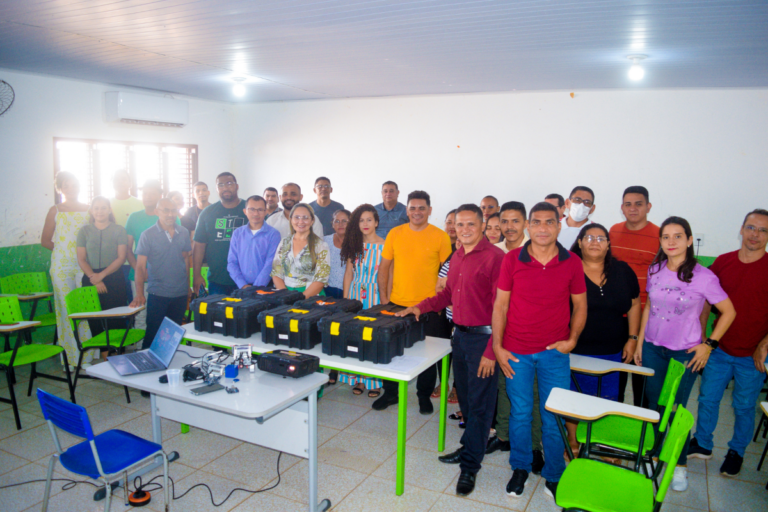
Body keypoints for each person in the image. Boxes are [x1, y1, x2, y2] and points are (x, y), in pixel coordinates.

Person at [398, 204, 504, 496]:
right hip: (459, 337)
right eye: (460, 224)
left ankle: (470, 466)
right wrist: (419, 307)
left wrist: (492, 352)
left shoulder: (497, 258)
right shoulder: (457, 255)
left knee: (481, 406)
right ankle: (470, 445)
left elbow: (502, 308)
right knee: (467, 403)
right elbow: (446, 294)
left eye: (471, 224)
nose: (465, 229)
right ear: (454, 227)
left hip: (484, 340)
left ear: (482, 226)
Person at [487, 201, 587, 501]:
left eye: (549, 222)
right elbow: (501, 305)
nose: (542, 228)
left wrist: (572, 341)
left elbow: (581, 305)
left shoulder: (571, 262)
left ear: (559, 225)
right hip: (516, 351)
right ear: (529, 226)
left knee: (552, 415)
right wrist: (498, 347)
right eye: (537, 222)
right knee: (519, 413)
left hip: (554, 353)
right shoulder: (513, 260)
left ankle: (554, 474)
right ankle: (520, 466)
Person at [634, 216, 736, 492]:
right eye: (666, 236)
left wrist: (709, 344)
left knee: (676, 410)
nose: (671, 242)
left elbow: (729, 312)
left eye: (678, 236)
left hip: (685, 353)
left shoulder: (704, 276)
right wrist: (641, 341)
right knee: (656, 406)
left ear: (689, 240)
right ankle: (653, 456)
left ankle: (678, 466)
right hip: (654, 348)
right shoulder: (655, 269)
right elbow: (648, 307)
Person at [688, 209, 768, 477]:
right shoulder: (722, 262)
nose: (755, 234)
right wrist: (702, 332)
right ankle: (703, 443)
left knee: (744, 405)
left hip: (753, 354)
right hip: (719, 348)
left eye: (763, 230)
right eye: (751, 228)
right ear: (742, 229)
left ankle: (737, 451)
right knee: (708, 398)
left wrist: (764, 344)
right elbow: (705, 298)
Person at [373, 191, 453, 414]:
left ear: (429, 210)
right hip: (396, 305)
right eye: (412, 208)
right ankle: (391, 393)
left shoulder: (440, 236)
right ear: (406, 210)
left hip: (428, 308)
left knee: (427, 356)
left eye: (421, 208)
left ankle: (423, 396)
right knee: (390, 351)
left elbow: (447, 274)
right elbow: (384, 269)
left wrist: (439, 302)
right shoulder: (395, 234)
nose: (417, 212)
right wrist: (385, 300)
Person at [564, 224, 641, 452]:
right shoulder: (568, 269)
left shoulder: (622, 270)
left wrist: (633, 338)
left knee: (608, 397)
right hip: (575, 350)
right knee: (573, 398)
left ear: (608, 244)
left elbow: (635, 304)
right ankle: (573, 440)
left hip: (613, 350)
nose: (594, 242)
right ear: (579, 242)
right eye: (588, 237)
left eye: (601, 238)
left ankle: (603, 441)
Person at [486, 201, 541, 473]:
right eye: (504, 222)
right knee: (503, 387)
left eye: (515, 221)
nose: (509, 227)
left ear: (526, 224)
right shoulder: (494, 251)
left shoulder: (537, 251)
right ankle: (504, 436)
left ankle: (534, 446)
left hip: (528, 334)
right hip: (500, 331)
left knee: (531, 393)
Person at [610, 186, 659, 406]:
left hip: (647, 316)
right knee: (616, 373)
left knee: (642, 377)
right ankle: (611, 420)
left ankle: (642, 427)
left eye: (638, 203)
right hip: (617, 315)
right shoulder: (613, 232)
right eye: (628, 204)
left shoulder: (659, 235)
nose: (633, 208)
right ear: (622, 208)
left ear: (648, 206)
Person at [41, 172, 93, 369]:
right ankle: (70, 358)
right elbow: (45, 240)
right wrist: (65, 250)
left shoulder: (89, 210)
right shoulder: (55, 210)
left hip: (84, 265)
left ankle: (87, 356)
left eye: (75, 184)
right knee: (65, 309)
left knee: (84, 308)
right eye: (67, 185)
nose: (71, 188)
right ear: (60, 189)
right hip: (61, 265)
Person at [131, 198, 192, 357]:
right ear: (157, 212)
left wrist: (188, 286)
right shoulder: (147, 235)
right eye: (166, 210)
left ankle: (168, 367)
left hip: (179, 293)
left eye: (173, 210)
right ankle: (145, 367)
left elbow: (186, 259)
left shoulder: (183, 232)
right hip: (158, 293)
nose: (170, 214)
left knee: (173, 336)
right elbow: (139, 266)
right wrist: (139, 294)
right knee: (153, 335)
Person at [340, 204, 388, 397]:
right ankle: (358, 379)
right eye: (361, 220)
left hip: (376, 296)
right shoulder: (354, 244)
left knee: (372, 337)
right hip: (355, 296)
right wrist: (345, 301)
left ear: (376, 222)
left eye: (369, 219)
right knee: (354, 336)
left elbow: (388, 275)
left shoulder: (386, 245)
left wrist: (386, 299)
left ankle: (374, 382)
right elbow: (348, 273)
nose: (365, 224)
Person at [76, 196, 129, 357]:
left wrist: (102, 276)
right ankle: (104, 353)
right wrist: (94, 277)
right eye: (96, 208)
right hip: (90, 278)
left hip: (113, 277)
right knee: (95, 318)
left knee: (115, 317)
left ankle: (116, 353)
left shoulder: (119, 229)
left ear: (109, 210)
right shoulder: (84, 231)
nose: (100, 211)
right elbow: (81, 258)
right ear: (92, 211)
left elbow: (121, 258)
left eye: (103, 207)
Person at [193, 172, 248, 296]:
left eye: (229, 183)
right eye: (221, 185)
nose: (225, 188)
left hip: (246, 280)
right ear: (216, 189)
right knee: (217, 315)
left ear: (237, 186)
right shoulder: (207, 213)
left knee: (244, 315)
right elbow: (199, 246)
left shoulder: (249, 209)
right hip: (217, 280)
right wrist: (196, 275)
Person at [125, 180, 166, 330]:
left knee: (162, 317)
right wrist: (140, 271)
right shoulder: (134, 218)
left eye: (152, 193)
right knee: (141, 316)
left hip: (163, 277)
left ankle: (162, 352)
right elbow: (128, 249)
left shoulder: (169, 216)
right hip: (138, 276)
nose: (147, 197)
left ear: (160, 196)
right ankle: (140, 351)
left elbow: (176, 251)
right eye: (145, 193)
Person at [271, 203, 331, 298]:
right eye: (297, 217)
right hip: (284, 294)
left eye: (305, 218)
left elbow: (321, 279)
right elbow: (276, 273)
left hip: (310, 296)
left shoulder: (321, 246)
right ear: (291, 220)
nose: (301, 221)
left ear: (312, 221)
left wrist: (299, 299)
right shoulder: (284, 242)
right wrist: (285, 297)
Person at [227, 195, 281, 289]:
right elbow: (232, 262)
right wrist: (243, 285)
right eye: (251, 209)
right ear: (245, 211)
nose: (256, 213)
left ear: (266, 212)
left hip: (264, 287)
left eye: (260, 210)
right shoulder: (237, 233)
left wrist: (256, 287)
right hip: (241, 286)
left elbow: (270, 263)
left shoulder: (274, 234)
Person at [109, 170, 143, 304]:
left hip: (134, 260)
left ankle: (136, 325)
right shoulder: (106, 204)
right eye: (116, 179)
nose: (120, 182)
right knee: (117, 301)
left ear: (130, 183)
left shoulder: (139, 203)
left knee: (135, 299)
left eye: (123, 179)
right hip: (112, 261)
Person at [324, 209, 351, 298]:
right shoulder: (324, 241)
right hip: (327, 290)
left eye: (344, 221)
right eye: (337, 221)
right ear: (332, 224)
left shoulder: (357, 243)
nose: (340, 224)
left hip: (350, 291)